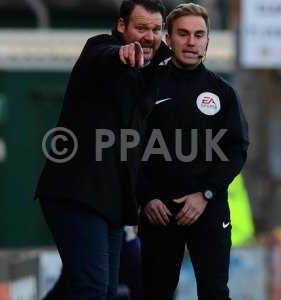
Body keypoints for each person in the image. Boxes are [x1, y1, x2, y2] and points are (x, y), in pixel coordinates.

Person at [35, 1, 170, 299]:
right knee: (92, 289)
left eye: (156, 29)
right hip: (77, 194)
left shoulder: (157, 69)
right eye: (141, 28)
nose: (149, 36)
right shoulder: (101, 50)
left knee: (99, 290)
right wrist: (120, 53)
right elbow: (103, 54)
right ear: (122, 26)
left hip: (114, 203)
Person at [136, 3, 249, 300]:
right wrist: (146, 197)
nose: (191, 41)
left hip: (207, 210)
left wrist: (206, 194)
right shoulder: (146, 85)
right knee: (155, 293)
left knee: (214, 292)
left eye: (199, 35)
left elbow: (236, 150)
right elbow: (127, 145)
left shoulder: (223, 92)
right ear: (168, 39)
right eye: (183, 34)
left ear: (207, 41)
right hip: (159, 212)